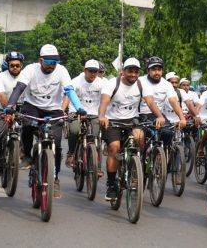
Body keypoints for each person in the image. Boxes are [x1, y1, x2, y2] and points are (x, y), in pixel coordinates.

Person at [4, 44, 87, 198]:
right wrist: (10, 105)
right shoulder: (30, 69)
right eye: (48, 62)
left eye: (54, 62)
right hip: (32, 106)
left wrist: (80, 108)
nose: (52, 66)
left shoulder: (61, 71)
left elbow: (69, 90)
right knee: (27, 125)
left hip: (53, 109)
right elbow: (19, 88)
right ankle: (27, 155)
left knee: (55, 141)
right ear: (40, 60)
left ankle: (54, 178)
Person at [98, 57, 165, 200]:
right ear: (123, 71)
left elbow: (150, 102)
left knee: (140, 139)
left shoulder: (141, 85)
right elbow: (104, 100)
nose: (133, 74)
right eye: (130, 71)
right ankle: (111, 185)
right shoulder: (112, 84)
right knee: (114, 148)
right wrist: (102, 115)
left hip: (132, 120)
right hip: (113, 121)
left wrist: (159, 116)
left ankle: (135, 169)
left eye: (136, 72)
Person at [62, 59, 103, 168]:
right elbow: (68, 96)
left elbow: (107, 97)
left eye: (96, 71)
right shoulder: (76, 81)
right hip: (76, 112)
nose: (93, 74)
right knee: (74, 130)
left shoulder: (102, 83)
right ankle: (71, 153)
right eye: (91, 71)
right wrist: (62, 111)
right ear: (85, 71)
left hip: (94, 113)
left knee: (95, 136)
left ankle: (95, 165)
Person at [138, 57, 187, 147]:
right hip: (140, 115)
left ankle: (162, 155)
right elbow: (149, 101)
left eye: (159, 69)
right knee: (139, 138)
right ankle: (141, 157)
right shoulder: (140, 81)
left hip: (158, 116)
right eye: (153, 69)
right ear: (148, 70)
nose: (157, 72)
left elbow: (173, 101)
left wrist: (182, 118)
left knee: (168, 133)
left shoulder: (167, 84)